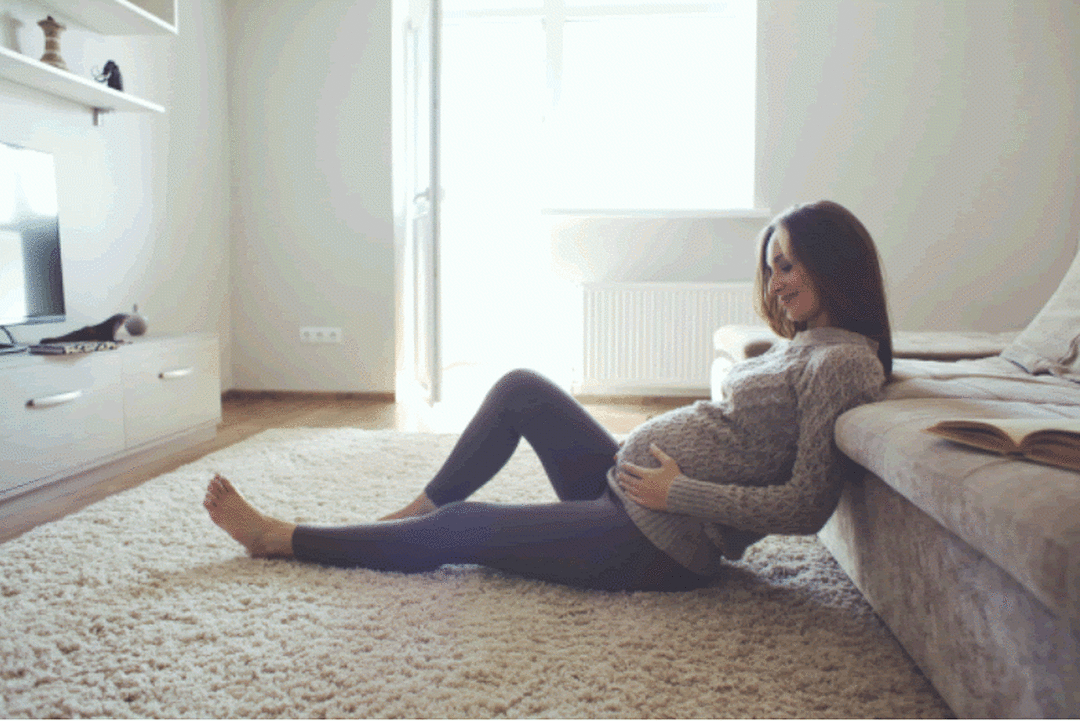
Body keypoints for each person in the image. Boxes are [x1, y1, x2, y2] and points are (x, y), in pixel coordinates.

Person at [205, 200, 892, 592]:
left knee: (467, 528)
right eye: (771, 267)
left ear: (832, 262)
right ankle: (415, 506)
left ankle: (280, 538)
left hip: (656, 541)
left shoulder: (842, 363)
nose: (773, 284)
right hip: (625, 491)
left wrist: (676, 493)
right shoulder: (803, 345)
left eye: (787, 265)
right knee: (521, 388)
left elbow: (806, 504)